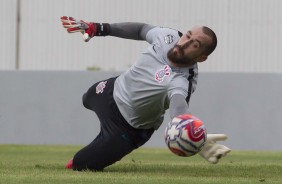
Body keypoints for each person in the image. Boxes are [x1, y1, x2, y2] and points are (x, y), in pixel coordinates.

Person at [60, 16, 231, 171]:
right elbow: (140, 30)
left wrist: (195, 138)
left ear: (201, 57)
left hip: (126, 128)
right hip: (111, 91)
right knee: (86, 98)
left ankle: (83, 160)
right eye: (187, 35)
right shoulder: (167, 36)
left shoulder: (182, 80)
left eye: (194, 45)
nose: (183, 43)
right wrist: (99, 28)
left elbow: (179, 111)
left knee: (79, 165)